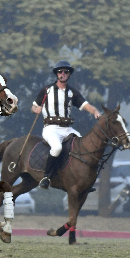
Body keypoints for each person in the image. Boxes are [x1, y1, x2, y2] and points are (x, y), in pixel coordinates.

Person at [31, 60, 101, 189]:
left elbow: (85, 105)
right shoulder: (47, 90)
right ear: (56, 74)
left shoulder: (72, 92)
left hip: (67, 129)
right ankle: (46, 177)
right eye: (60, 71)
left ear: (69, 74)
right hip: (51, 128)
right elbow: (34, 107)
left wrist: (95, 111)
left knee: (82, 146)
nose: (63, 74)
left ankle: (84, 180)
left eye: (66, 72)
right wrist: (36, 110)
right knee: (57, 148)